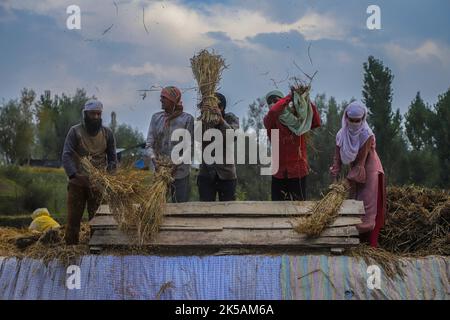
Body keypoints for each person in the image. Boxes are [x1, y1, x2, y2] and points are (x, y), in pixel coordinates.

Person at [329, 101, 386, 247]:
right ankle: (354, 242)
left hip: (369, 169)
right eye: (351, 120)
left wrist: (345, 183)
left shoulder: (366, 135)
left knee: (366, 207)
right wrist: (335, 177)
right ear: (346, 118)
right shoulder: (341, 135)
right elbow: (337, 158)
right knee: (352, 203)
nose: (354, 123)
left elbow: (361, 163)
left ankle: (370, 245)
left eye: (358, 120)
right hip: (354, 171)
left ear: (363, 119)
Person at [62, 99, 117, 244]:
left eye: (99, 114)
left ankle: (96, 248)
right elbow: (66, 155)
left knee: (98, 219)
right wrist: (74, 175)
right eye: (93, 114)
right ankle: (70, 250)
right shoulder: (75, 132)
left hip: (98, 184)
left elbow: (112, 159)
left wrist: (109, 178)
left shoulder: (107, 133)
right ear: (85, 114)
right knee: (73, 219)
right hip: (78, 183)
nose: (96, 117)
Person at [263, 88, 321, 201]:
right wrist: (290, 95)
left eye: (275, 100)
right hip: (279, 173)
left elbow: (316, 122)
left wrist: (305, 100)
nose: (272, 104)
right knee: (277, 210)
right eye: (269, 102)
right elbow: (274, 111)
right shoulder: (269, 120)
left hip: (297, 171)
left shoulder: (298, 121)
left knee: (298, 209)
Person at [145, 86, 194, 203]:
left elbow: (189, 148)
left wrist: (176, 165)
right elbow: (149, 145)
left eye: (164, 98)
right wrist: (154, 160)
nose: (161, 100)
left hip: (180, 172)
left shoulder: (187, 119)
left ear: (172, 100)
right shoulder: (156, 118)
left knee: (180, 207)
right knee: (157, 206)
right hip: (160, 171)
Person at [197, 92, 239, 201]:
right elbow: (197, 138)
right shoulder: (202, 119)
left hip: (226, 174)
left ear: (222, 107)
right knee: (205, 209)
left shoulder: (231, 118)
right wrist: (203, 117)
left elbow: (232, 137)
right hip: (206, 173)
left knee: (228, 209)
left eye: (214, 108)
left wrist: (221, 121)